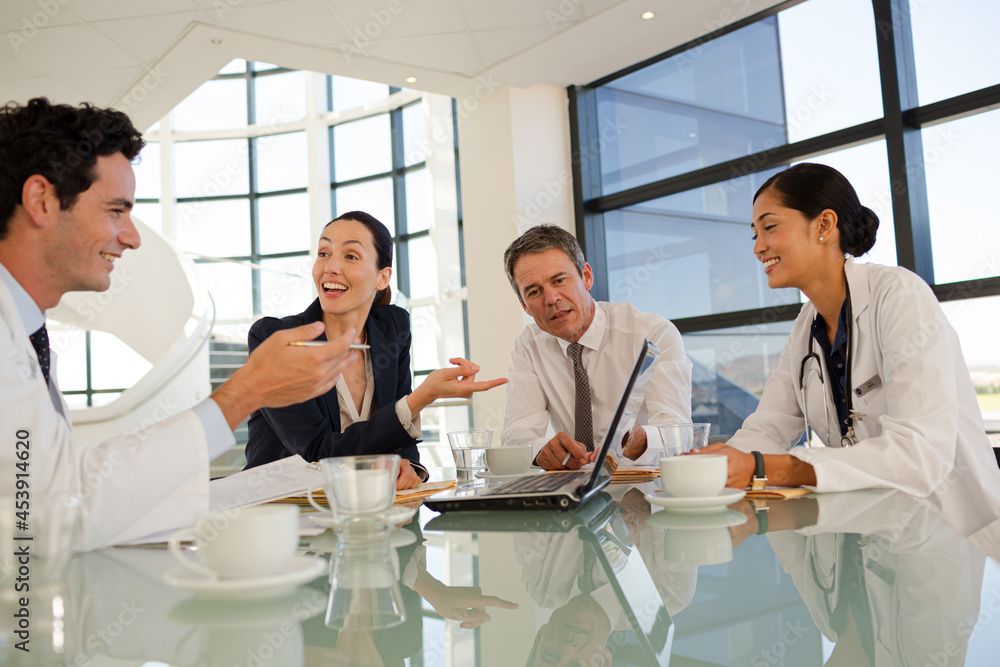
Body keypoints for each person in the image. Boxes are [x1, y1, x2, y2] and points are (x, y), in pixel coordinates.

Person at [0, 98, 358, 550]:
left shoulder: (26, 334)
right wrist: (245, 393)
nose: (132, 237)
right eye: (115, 210)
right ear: (41, 201)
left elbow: (60, 497)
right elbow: (50, 507)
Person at [693, 163, 1000, 503]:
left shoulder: (899, 294)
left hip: (948, 518)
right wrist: (718, 463)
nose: (758, 247)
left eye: (770, 227)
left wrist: (771, 468)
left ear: (824, 224)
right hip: (873, 517)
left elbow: (920, 453)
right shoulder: (805, 327)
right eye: (755, 234)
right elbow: (768, 427)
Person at [245, 211, 506, 487]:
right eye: (323, 253)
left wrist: (407, 467)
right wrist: (422, 397)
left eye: (350, 256)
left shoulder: (393, 328)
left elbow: (400, 443)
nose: (330, 267)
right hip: (281, 503)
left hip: (364, 500)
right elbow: (316, 454)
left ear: (382, 278)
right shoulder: (276, 339)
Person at [500, 224, 692, 470]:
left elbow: (679, 433)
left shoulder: (653, 333)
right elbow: (515, 434)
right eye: (535, 292)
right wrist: (540, 450)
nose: (551, 299)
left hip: (645, 482)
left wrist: (640, 440)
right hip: (573, 485)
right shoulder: (529, 344)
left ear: (586, 277)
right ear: (524, 306)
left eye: (559, 280)